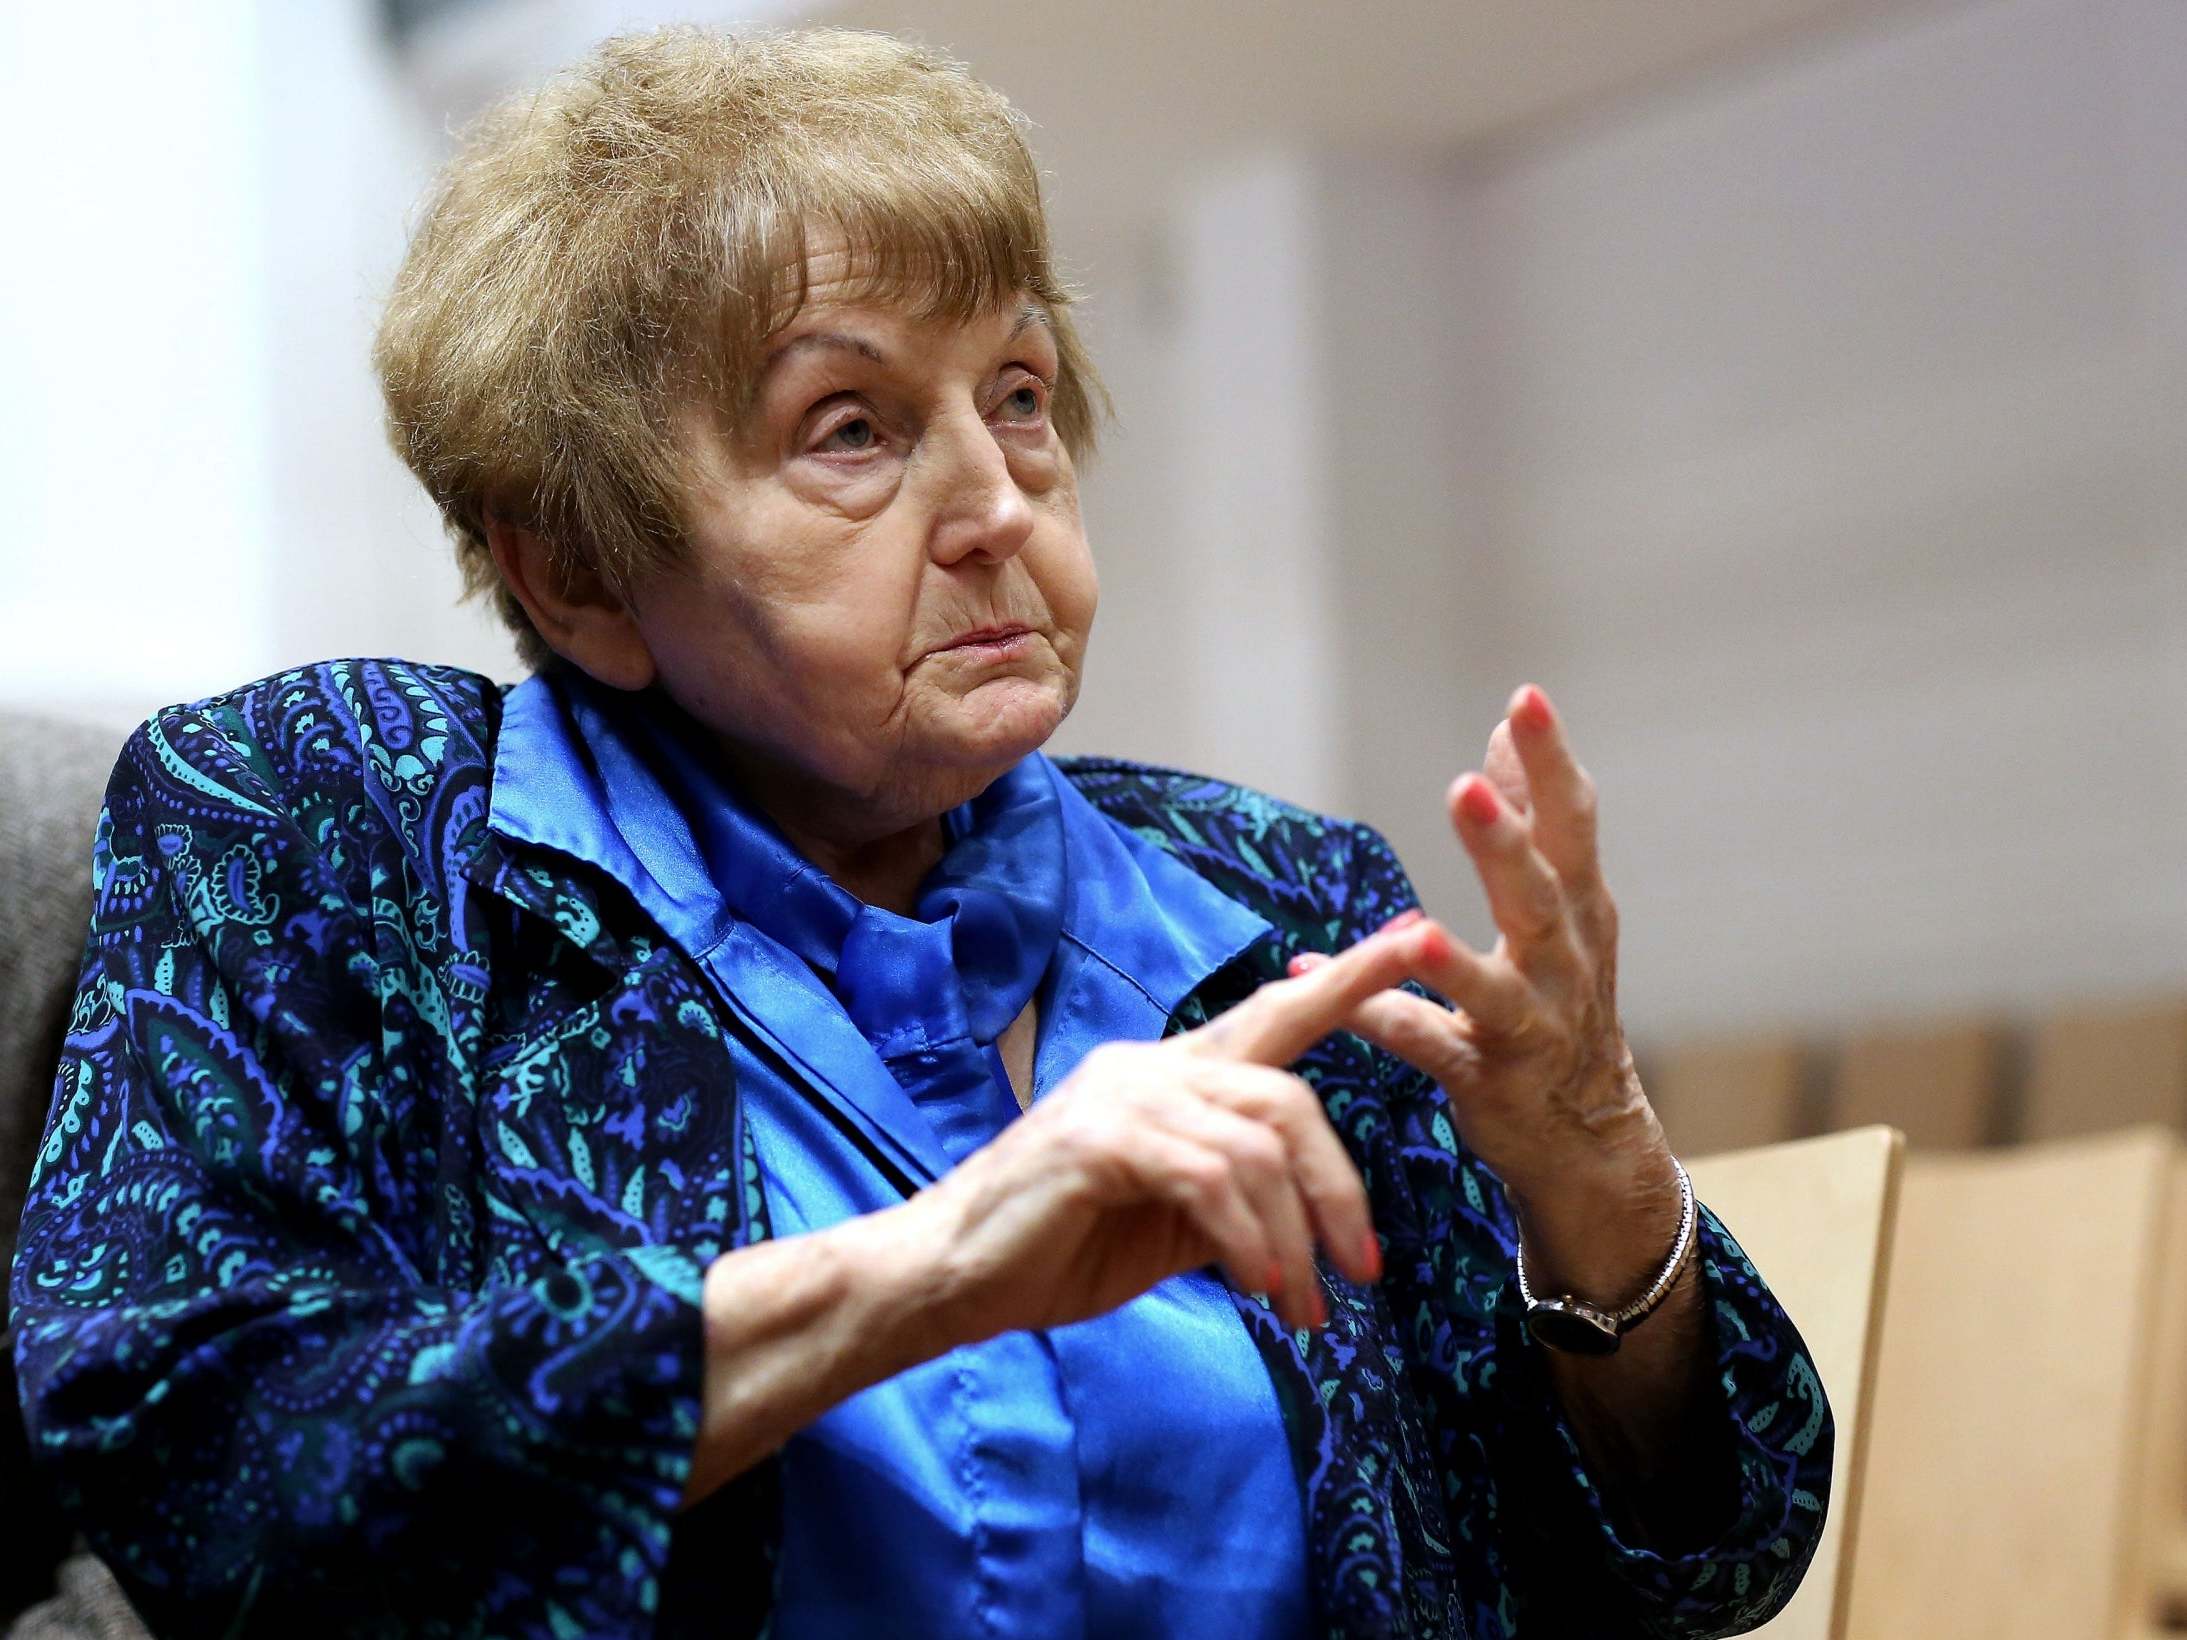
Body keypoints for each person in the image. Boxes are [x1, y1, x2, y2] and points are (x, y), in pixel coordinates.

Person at [9, 25, 1830, 1640]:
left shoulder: (1283, 902)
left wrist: (1598, 1189)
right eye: (854, 427)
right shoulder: (340, 824)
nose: (994, 505)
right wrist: (933, 1267)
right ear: (576, 569)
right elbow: (197, 1454)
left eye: (1019, 396)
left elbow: (1705, 1564)